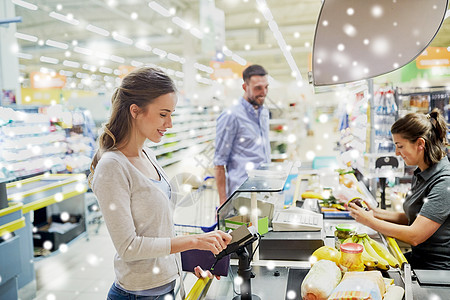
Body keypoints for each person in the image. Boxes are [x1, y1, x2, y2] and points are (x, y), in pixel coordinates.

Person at [89, 67, 232, 299]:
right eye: (163, 114)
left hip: (166, 287)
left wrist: (194, 257)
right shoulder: (113, 166)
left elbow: (158, 231)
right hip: (138, 294)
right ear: (135, 111)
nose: (170, 123)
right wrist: (194, 240)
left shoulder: (147, 156)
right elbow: (129, 247)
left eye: (171, 114)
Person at [348, 108, 450, 270]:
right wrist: (374, 212)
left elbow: (415, 235)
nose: (396, 152)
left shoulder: (444, 183)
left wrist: (370, 221)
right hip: (419, 260)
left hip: (436, 271)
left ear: (420, 144)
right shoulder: (422, 172)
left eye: (400, 146)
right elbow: (414, 216)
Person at [214, 65, 271, 205]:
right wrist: (223, 201)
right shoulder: (231, 116)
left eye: (266, 87)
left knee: (263, 227)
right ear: (245, 87)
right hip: (242, 195)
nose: (263, 92)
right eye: (258, 88)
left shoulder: (263, 113)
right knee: (244, 228)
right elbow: (219, 163)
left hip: (265, 191)